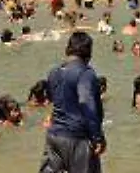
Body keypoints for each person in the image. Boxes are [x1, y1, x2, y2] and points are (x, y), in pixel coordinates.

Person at [40, 31, 105, 173]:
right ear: (88, 53)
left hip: (54, 136)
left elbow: (53, 101)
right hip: (78, 139)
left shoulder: (54, 72)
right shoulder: (86, 73)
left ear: (68, 49)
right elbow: (86, 103)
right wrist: (97, 137)